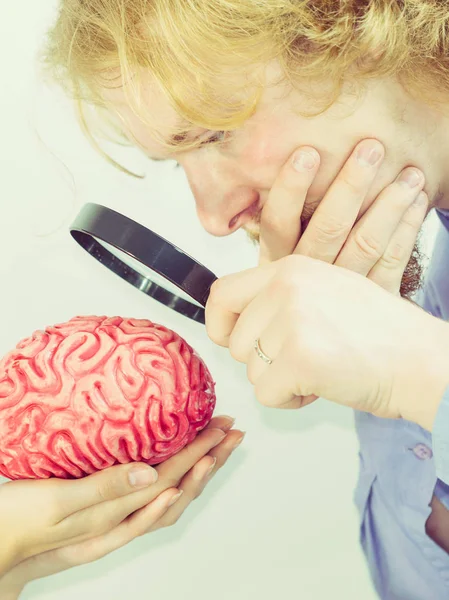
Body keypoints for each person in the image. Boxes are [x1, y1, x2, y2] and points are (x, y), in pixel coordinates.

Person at [3, 0, 449, 597]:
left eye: (215, 132)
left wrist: (420, 374)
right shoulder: (392, 244)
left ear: (363, 28)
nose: (214, 216)